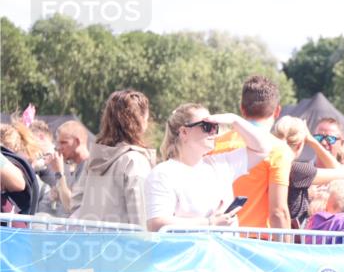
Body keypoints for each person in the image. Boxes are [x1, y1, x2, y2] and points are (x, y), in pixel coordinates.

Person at [145, 104, 275, 230]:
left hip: (224, 245)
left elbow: (263, 148)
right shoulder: (163, 173)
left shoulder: (220, 164)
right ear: (184, 132)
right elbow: (156, 223)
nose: (213, 132)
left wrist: (234, 120)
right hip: (189, 246)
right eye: (207, 126)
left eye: (215, 126)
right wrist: (210, 223)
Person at [212, 76, 292, 232]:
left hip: (219, 238)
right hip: (257, 241)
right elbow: (278, 212)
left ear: (242, 109)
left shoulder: (214, 144)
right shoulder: (279, 150)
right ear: (277, 111)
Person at [73, 89, 156, 226]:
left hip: (89, 237)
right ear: (141, 121)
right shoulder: (134, 161)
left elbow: (76, 204)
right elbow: (141, 217)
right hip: (123, 239)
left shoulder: (94, 160)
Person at [270, 116, 344, 228]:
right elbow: (341, 173)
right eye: (318, 137)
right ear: (300, 144)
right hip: (285, 234)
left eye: (330, 139)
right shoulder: (299, 170)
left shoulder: (266, 162)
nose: (323, 142)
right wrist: (311, 140)